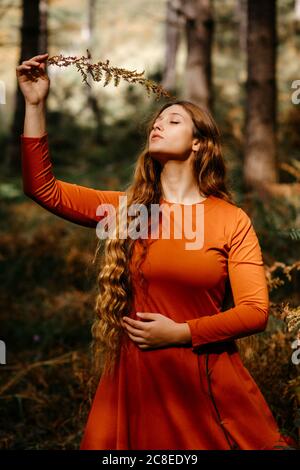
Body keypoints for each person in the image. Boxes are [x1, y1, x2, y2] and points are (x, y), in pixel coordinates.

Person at [16, 53, 297, 451]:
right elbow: (43, 189)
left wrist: (180, 332)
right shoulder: (131, 212)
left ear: (199, 143)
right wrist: (33, 104)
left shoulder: (231, 220)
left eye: (174, 121)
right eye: (157, 122)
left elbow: (255, 312)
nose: (159, 125)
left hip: (203, 380)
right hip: (137, 379)